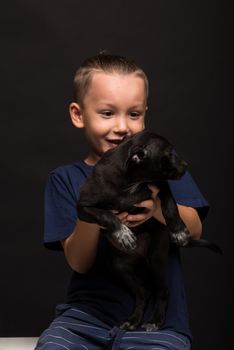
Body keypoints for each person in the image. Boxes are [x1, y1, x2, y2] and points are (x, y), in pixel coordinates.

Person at [35, 53, 209, 350]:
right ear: (79, 115)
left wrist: (156, 208)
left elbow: (192, 231)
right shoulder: (65, 178)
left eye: (134, 114)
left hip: (160, 324)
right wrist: (95, 207)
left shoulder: (159, 167)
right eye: (107, 113)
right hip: (84, 320)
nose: (122, 127)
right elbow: (80, 262)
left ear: (145, 114)